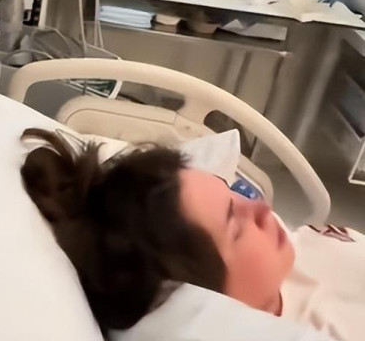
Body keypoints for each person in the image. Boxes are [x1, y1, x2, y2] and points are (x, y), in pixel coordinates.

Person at [20, 128, 364, 340]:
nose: (261, 208)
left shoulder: (294, 259)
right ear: (203, 293)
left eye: (233, 195)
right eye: (236, 227)